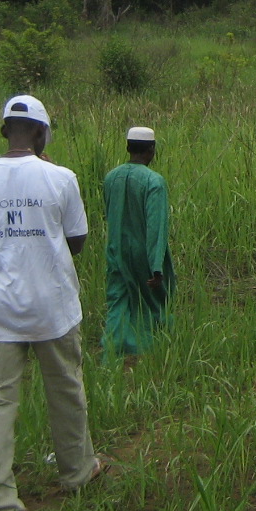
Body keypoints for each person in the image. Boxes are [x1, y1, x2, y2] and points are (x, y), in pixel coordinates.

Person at [0, 96, 102, 511]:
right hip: (52, 306)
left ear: (4, 132)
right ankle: (76, 472)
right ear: (40, 133)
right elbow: (76, 241)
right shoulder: (60, 177)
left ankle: (2, 501)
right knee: (66, 389)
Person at [102, 127, 175, 360]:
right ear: (152, 149)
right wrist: (156, 266)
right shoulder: (154, 182)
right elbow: (156, 226)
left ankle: (113, 349)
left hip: (116, 250)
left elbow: (108, 213)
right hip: (143, 252)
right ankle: (147, 352)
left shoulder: (111, 177)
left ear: (128, 147)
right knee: (151, 303)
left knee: (119, 299)